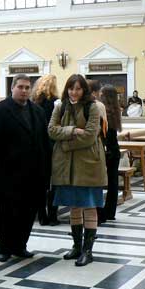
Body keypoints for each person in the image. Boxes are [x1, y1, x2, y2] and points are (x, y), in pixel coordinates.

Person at [0, 75, 50, 263]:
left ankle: (20, 245)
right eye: (20, 87)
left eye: (27, 87)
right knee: (7, 212)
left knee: (28, 211)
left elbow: (45, 143)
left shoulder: (37, 111)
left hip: (34, 172)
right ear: (12, 88)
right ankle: (3, 247)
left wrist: (48, 170)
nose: (24, 90)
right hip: (9, 172)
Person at [48, 74, 107, 267]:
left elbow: (90, 136)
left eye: (78, 88)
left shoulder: (93, 107)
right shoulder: (60, 106)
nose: (74, 92)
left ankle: (88, 251)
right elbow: (51, 130)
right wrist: (72, 130)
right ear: (67, 89)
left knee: (89, 206)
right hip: (66, 166)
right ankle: (76, 246)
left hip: (88, 163)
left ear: (84, 90)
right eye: (71, 88)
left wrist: (65, 144)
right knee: (74, 206)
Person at [31, 74, 60, 226]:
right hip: (52, 145)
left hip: (37, 147)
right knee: (54, 183)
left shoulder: (33, 102)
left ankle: (41, 215)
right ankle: (53, 215)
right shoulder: (55, 102)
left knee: (40, 184)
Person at [98, 85, 122, 223]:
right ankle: (110, 212)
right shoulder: (115, 110)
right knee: (113, 182)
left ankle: (101, 212)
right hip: (115, 150)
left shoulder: (104, 111)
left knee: (100, 182)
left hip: (106, 151)